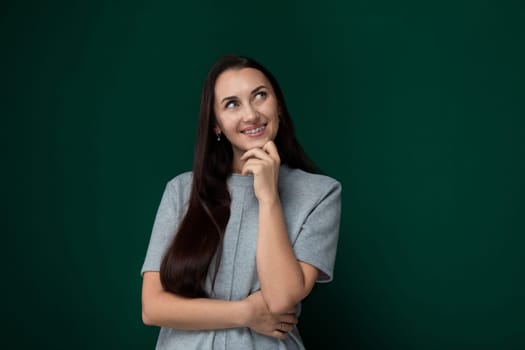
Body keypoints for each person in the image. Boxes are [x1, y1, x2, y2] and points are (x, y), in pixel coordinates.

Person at [141, 54, 342, 349]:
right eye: (231, 104)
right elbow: (153, 307)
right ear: (216, 125)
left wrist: (269, 197)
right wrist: (246, 313)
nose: (251, 115)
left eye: (260, 96)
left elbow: (280, 298)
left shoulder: (321, 193)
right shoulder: (181, 190)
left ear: (279, 106)